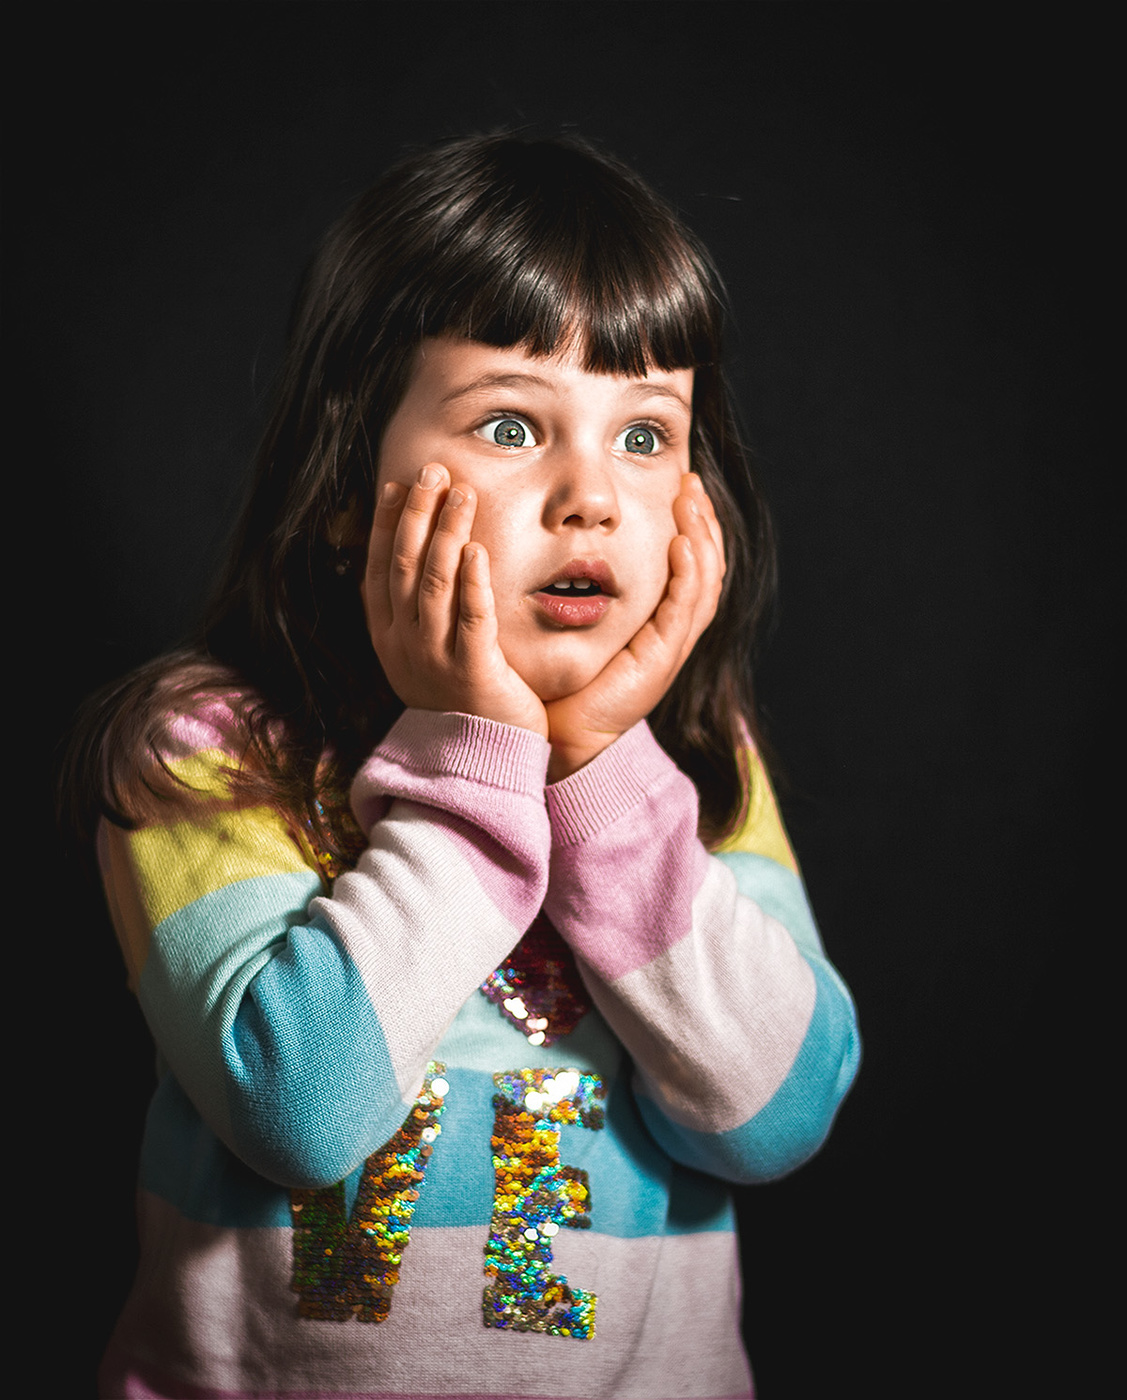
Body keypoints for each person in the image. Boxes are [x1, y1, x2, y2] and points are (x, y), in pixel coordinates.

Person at [69, 133, 860, 1400]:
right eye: (508, 423)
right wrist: (478, 752)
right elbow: (301, 1110)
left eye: (647, 437)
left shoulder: (702, 768)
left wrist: (598, 766)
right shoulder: (208, 752)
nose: (589, 497)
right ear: (345, 483)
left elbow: (773, 1117)